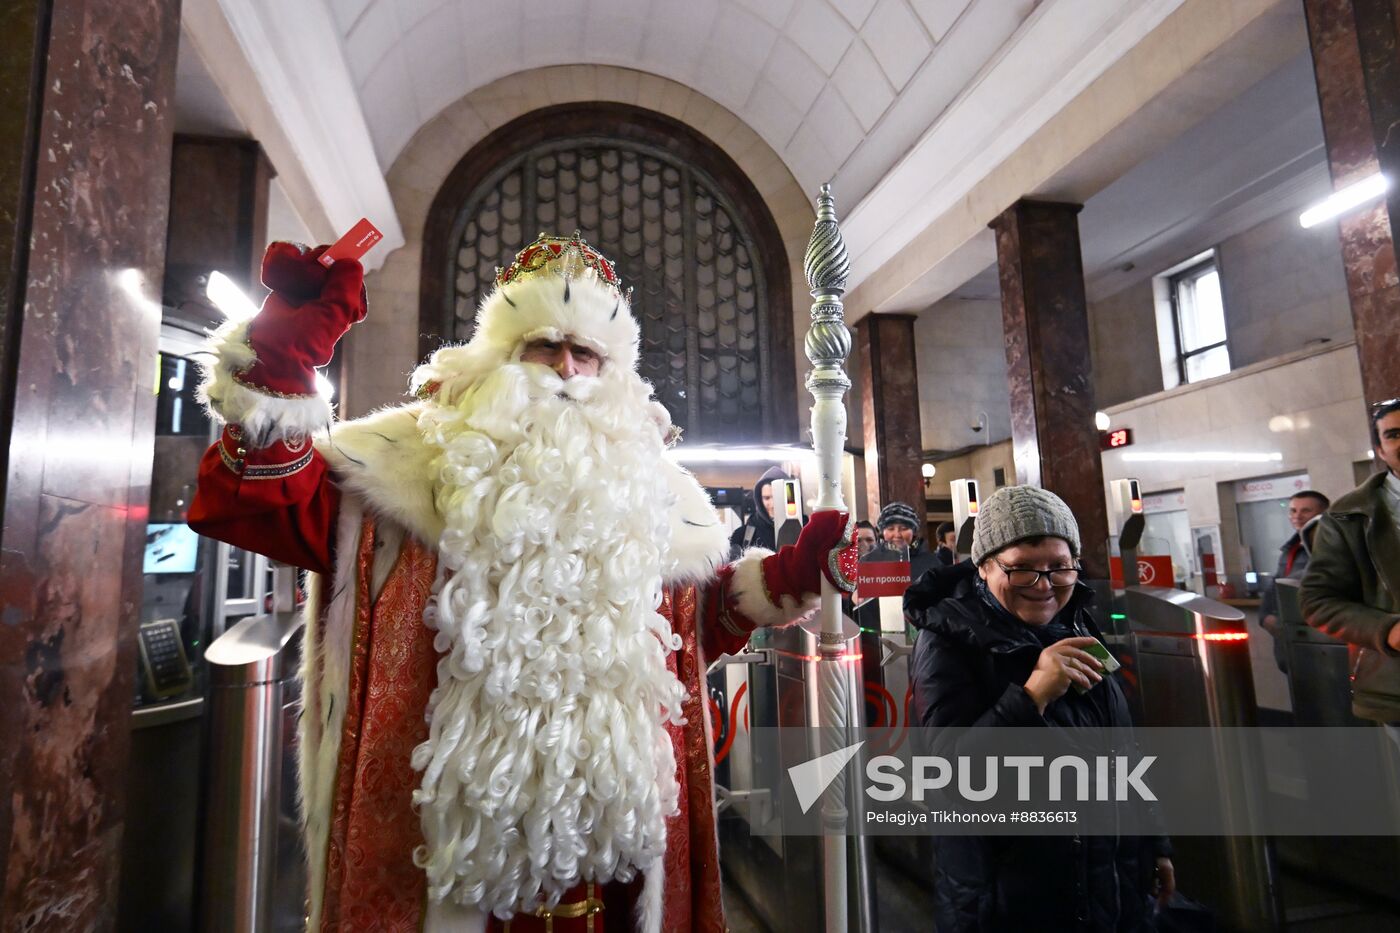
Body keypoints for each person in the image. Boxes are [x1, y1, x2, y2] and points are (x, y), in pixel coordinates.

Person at [188, 234, 855, 931]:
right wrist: (280, 356)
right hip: (439, 870)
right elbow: (253, 502)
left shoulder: (647, 496)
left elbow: (681, 634)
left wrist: (785, 576)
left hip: (610, 874)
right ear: (500, 357)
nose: (566, 369)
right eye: (544, 345)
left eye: (587, 353)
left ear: (612, 372)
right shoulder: (405, 471)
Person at [907, 485, 1174, 932]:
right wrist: (1031, 696)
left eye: (1059, 567)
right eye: (1022, 570)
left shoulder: (1076, 621)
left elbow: (1122, 747)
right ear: (984, 566)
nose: (1044, 585)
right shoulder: (948, 640)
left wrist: (1154, 842)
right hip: (1011, 897)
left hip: (1108, 879)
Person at [1301, 398, 1400, 749]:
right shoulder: (1348, 515)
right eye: (1393, 434)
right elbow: (1317, 601)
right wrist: (1387, 630)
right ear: (1380, 449)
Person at [1257, 490, 1329, 672]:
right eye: (1293, 511)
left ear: (1324, 513)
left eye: (1306, 511)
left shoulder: (1328, 546)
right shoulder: (1290, 548)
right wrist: (1265, 616)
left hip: (1316, 637)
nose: (1298, 516)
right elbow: (1275, 585)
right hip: (1288, 640)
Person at [728, 466, 789, 558]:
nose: (772, 504)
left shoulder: (805, 529)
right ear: (759, 500)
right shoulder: (742, 536)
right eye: (767, 498)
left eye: (777, 496)